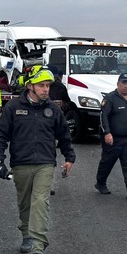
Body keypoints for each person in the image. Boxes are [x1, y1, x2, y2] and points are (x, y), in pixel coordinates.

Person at [0, 65, 76, 254]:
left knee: (40, 202)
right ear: (30, 86)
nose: (46, 89)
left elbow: (64, 136)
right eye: (41, 85)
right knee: (25, 203)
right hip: (20, 163)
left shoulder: (53, 110)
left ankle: (38, 248)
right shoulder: (12, 108)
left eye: (48, 85)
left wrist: (69, 157)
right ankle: (26, 233)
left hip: (45, 164)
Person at [95, 73, 127, 201]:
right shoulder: (110, 98)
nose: (126, 86)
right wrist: (107, 133)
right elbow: (103, 116)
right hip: (113, 138)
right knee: (107, 163)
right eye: (123, 83)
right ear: (118, 84)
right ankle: (100, 182)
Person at [47, 65, 72, 196]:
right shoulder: (36, 86)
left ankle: (46, 184)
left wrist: (62, 105)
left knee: (50, 155)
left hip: (56, 124)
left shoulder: (60, 87)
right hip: (39, 123)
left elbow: (69, 104)